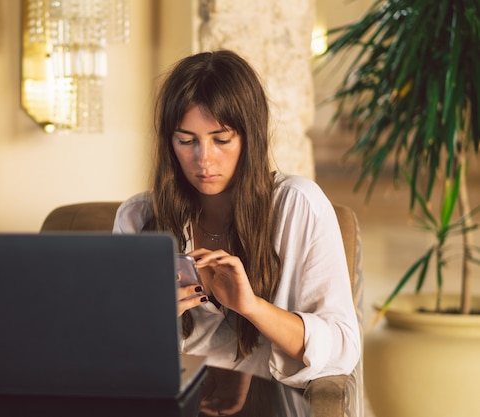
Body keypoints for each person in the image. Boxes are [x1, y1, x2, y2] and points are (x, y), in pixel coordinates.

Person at [112, 50, 360, 389]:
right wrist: (153, 319)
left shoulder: (299, 205)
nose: (204, 159)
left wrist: (252, 307)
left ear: (250, 137)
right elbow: (109, 349)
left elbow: (342, 348)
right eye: (187, 141)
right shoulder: (137, 217)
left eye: (221, 139)